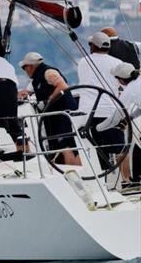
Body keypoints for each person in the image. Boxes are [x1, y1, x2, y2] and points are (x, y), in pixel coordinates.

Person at [17, 52, 80, 166]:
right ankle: (62, 171)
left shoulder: (48, 72)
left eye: (24, 68)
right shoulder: (36, 78)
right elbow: (27, 92)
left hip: (62, 113)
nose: (24, 71)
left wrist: (48, 100)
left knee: (66, 144)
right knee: (55, 145)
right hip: (52, 115)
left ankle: (75, 171)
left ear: (30, 66)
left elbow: (63, 86)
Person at [77, 31, 124, 168]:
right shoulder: (117, 63)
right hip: (110, 112)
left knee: (95, 148)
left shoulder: (83, 62)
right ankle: (124, 179)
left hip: (87, 113)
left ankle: (101, 178)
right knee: (119, 148)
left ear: (93, 46)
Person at [96, 62, 141, 183]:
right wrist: (131, 116)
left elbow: (117, 116)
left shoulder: (129, 91)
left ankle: (134, 180)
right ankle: (135, 179)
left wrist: (98, 128)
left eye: (116, 78)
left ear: (121, 79)